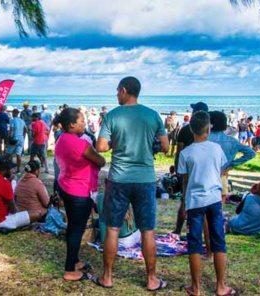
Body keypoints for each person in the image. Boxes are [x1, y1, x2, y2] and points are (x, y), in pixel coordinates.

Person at [93, 77, 169, 291]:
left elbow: (101, 147)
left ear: (124, 91)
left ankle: (107, 277)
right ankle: (151, 279)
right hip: (145, 179)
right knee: (147, 231)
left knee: (113, 228)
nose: (117, 95)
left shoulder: (112, 116)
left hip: (119, 179)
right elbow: (165, 147)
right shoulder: (153, 115)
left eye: (118, 91)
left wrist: (116, 142)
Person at [177, 111, 234, 296]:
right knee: (219, 242)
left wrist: (184, 204)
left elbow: (185, 182)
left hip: (194, 201)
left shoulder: (186, 153)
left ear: (191, 129)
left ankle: (196, 288)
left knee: (194, 244)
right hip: (214, 200)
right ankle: (220, 286)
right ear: (208, 129)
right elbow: (219, 172)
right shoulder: (216, 149)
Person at [54, 107, 106, 282]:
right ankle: (69, 270)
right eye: (82, 121)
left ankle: (74, 261)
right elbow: (101, 160)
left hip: (66, 186)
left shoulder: (61, 139)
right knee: (77, 229)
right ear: (71, 124)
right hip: (80, 191)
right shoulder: (81, 144)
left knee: (72, 226)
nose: (85, 124)